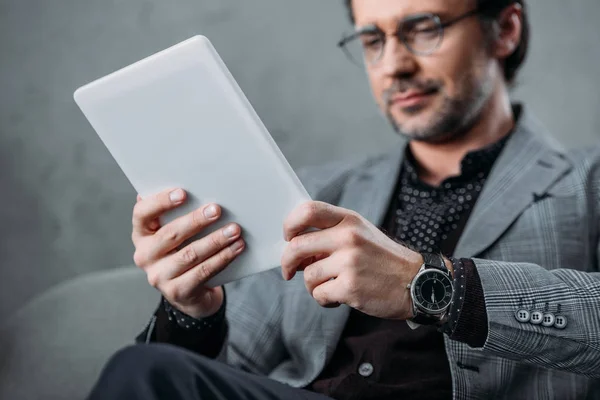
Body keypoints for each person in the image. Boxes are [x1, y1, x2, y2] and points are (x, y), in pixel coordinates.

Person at [88, 0, 600, 399]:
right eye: (373, 39)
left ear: (505, 29)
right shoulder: (313, 195)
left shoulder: (587, 181)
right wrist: (192, 310)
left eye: (424, 28)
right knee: (147, 370)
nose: (393, 64)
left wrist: (426, 285)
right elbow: (219, 373)